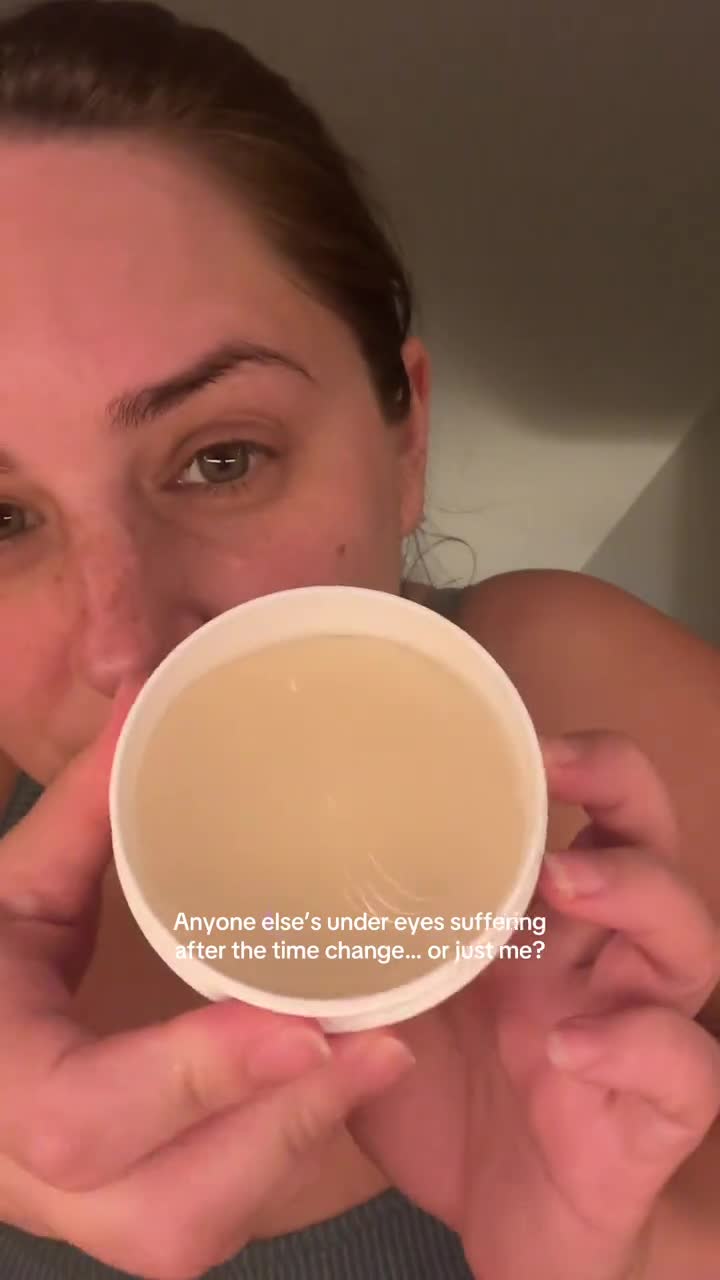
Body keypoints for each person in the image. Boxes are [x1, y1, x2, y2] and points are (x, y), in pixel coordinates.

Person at [0, 2, 719, 1277]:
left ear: (407, 441)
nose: (129, 649)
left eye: (223, 458)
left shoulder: (582, 712)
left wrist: (635, 1252)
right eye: (1, 520)